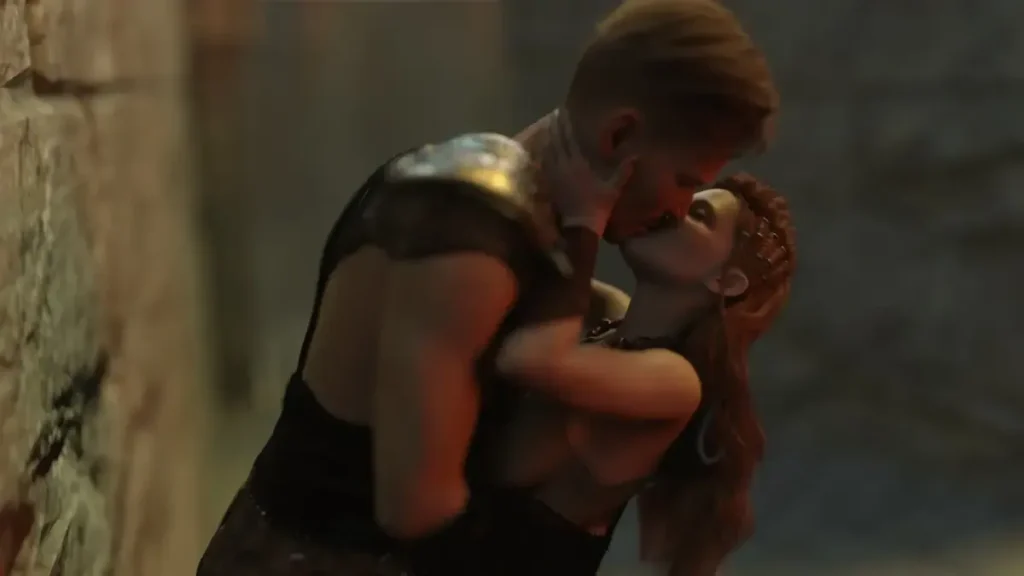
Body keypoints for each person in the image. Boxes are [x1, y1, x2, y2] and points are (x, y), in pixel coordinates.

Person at [197, 0, 777, 573]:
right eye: (684, 181)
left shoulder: (522, 231)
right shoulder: (469, 243)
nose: (677, 208)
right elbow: (418, 510)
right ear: (619, 136)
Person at [493, 174, 796, 576]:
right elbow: (538, 271)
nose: (673, 209)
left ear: (725, 280)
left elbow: (525, 359)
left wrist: (587, 219)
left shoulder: (674, 381)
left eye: (698, 214)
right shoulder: (615, 324)